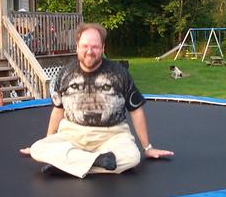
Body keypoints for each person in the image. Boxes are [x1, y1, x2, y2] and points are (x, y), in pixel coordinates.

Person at [20, 22, 174, 178]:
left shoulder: (120, 74)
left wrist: (147, 148)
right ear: (77, 47)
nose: (89, 51)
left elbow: (136, 110)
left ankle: (68, 166)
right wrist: (49, 141)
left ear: (103, 48)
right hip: (72, 134)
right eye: (85, 46)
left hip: (112, 135)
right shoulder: (65, 73)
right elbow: (58, 110)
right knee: (38, 149)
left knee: (132, 157)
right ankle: (97, 161)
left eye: (95, 47)